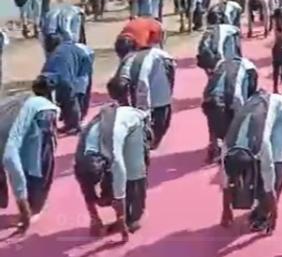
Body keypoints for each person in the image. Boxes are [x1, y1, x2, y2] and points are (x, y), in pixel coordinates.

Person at [220, 90, 282, 233]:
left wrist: (274, 216)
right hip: (257, 109)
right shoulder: (227, 147)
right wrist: (226, 210)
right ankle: (261, 207)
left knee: (278, 161)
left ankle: (263, 213)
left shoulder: (262, 146)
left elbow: (270, 187)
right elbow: (225, 183)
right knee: (261, 178)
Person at [74, 102, 149, 241]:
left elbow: (119, 190)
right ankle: (119, 212)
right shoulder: (81, 160)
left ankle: (134, 217)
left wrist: (121, 221)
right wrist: (94, 217)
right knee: (107, 191)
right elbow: (86, 189)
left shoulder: (114, 159)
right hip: (107, 128)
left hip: (131, 123)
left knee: (134, 173)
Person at [0, 84, 60, 233]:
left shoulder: (37, 110)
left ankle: (33, 206)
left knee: (36, 165)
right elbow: (10, 158)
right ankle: (31, 206)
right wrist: (22, 202)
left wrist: (24, 205)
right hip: (30, 117)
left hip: (37, 116)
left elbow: (10, 158)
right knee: (34, 166)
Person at [110, 47, 176, 150]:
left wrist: (143, 112)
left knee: (160, 120)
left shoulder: (137, 68)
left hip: (158, 88)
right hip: (157, 90)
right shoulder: (128, 63)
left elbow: (142, 89)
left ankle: (150, 142)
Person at [203, 56, 258, 163]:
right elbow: (243, 96)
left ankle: (214, 146)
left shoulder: (222, 64)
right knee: (236, 126)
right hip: (229, 98)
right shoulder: (248, 70)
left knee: (212, 117)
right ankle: (229, 151)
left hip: (209, 97)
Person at [40, 35, 94, 134]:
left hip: (85, 56)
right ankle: (69, 123)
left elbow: (70, 97)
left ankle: (76, 125)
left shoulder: (62, 76)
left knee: (78, 92)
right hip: (70, 57)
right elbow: (47, 99)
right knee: (64, 96)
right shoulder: (46, 69)